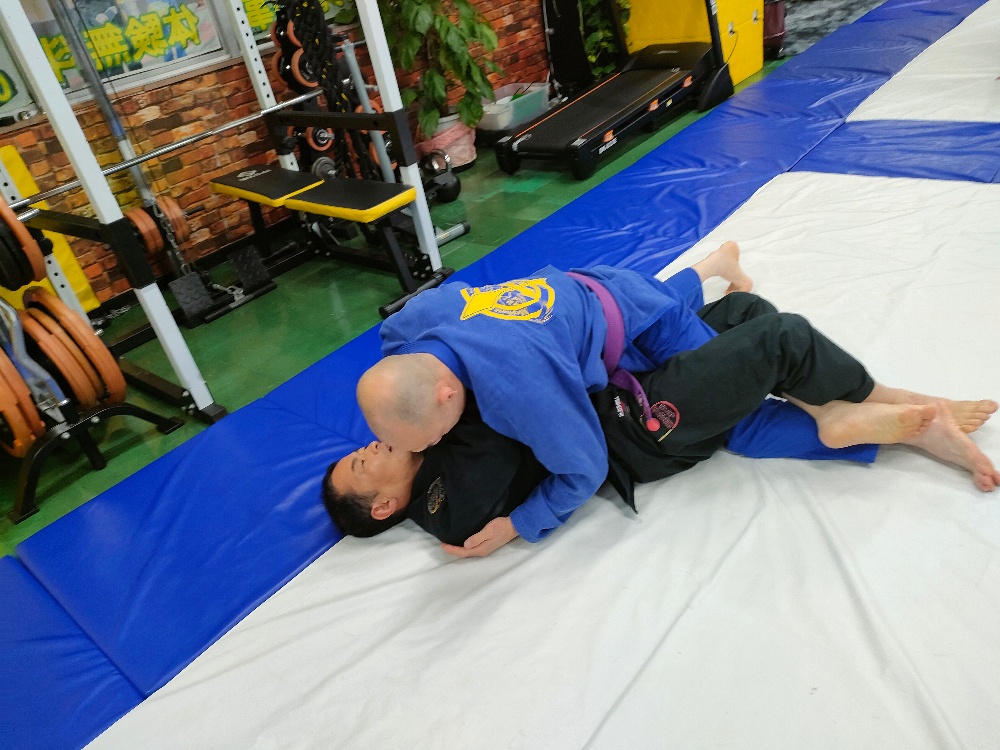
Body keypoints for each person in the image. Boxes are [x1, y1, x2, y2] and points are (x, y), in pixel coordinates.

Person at [356, 243, 998, 558]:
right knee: (748, 317)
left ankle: (858, 412)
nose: (433, 442)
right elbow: (398, 336)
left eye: (430, 432)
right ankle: (874, 422)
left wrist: (519, 526)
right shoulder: (418, 331)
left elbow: (583, 466)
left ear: (446, 392)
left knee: (770, 345)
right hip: (605, 300)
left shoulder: (516, 388)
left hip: (632, 335)